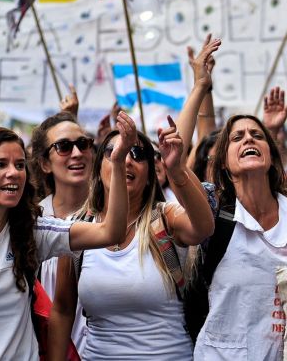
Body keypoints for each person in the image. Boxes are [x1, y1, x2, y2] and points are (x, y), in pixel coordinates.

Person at [0, 111, 136, 360]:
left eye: (20, 165)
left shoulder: (32, 231)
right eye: (0, 164)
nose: (13, 173)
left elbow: (111, 232)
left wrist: (119, 162)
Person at [49, 117, 215, 360]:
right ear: (98, 168)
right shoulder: (77, 228)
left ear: (150, 174)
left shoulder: (165, 218)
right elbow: (62, 310)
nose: (125, 158)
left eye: (137, 153)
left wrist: (177, 169)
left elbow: (203, 228)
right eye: (114, 151)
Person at [193, 113, 287, 360]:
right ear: (223, 163)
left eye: (257, 136)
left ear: (272, 156)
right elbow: (180, 178)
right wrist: (201, 87)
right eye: (237, 137)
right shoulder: (212, 207)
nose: (248, 139)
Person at [29, 110, 93, 354]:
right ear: (45, 163)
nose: (77, 153)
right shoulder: (32, 221)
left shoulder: (114, 219)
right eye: (64, 147)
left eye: (83, 144)